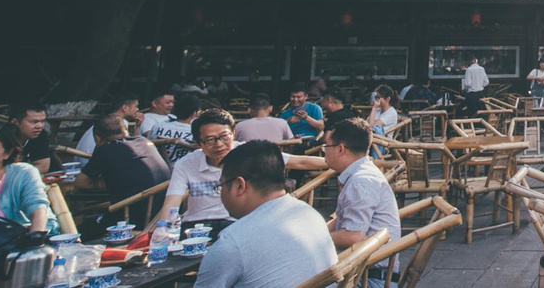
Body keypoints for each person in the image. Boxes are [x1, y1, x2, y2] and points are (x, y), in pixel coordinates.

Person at [192, 141, 338, 288]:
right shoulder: (309, 213)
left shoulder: (232, 243)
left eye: (221, 186)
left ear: (239, 185)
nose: (221, 193)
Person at [161, 109, 326, 234]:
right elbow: (171, 204)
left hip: (238, 224)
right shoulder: (186, 164)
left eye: (224, 137)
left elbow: (298, 161)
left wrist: (340, 163)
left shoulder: (248, 152)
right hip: (196, 226)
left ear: (233, 133)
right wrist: (159, 233)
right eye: (210, 140)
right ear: (198, 143)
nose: (219, 144)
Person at [324, 118, 400, 288]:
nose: (324, 152)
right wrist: (317, 230)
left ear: (341, 149)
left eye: (326, 147)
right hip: (362, 270)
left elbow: (352, 236)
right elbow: (343, 220)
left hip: (367, 278)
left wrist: (314, 239)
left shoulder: (361, 181)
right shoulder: (361, 172)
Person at [73, 115, 170, 235]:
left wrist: (103, 184)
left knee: (79, 232)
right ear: (125, 129)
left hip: (130, 219)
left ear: (98, 139)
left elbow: (81, 183)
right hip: (162, 213)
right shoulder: (144, 141)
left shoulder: (105, 149)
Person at [0, 123, 58, 236]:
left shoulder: (23, 173)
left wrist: (35, 241)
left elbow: (37, 210)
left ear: (7, 152)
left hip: (22, 243)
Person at [149, 93, 201, 164]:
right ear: (194, 113)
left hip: (157, 167)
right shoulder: (196, 131)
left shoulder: (158, 126)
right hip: (184, 170)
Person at [8, 103, 53, 174]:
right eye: (34, 122)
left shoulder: (40, 135)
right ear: (15, 122)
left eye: (42, 121)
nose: (40, 126)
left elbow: (43, 166)